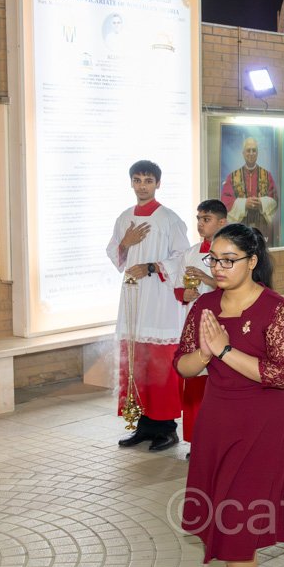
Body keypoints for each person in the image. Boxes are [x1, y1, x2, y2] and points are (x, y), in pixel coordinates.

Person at [174, 223, 284, 567]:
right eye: (214, 259)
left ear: (252, 261)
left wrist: (226, 350)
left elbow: (279, 374)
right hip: (217, 420)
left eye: (229, 260)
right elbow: (183, 366)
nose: (219, 268)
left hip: (263, 423)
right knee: (222, 518)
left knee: (236, 522)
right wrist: (204, 352)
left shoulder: (276, 308)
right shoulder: (205, 305)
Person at [107, 160, 188, 452]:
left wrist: (152, 267)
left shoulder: (169, 219)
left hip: (160, 302)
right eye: (138, 180)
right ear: (131, 182)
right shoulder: (124, 218)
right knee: (136, 363)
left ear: (158, 184)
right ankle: (143, 425)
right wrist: (126, 243)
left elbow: (183, 257)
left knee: (160, 365)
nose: (142, 186)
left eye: (148, 180)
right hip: (132, 300)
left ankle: (166, 428)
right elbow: (115, 255)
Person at [174, 199, 229, 449]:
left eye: (206, 219)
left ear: (222, 222)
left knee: (218, 381)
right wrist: (184, 293)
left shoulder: (229, 253)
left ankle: (218, 440)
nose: (200, 224)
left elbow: (234, 286)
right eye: (198, 219)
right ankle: (196, 440)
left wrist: (207, 277)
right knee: (195, 382)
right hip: (194, 324)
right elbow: (179, 287)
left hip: (221, 323)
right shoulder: (190, 252)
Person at [221, 136, 278, 242]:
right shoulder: (232, 177)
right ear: (243, 153)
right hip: (240, 228)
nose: (251, 153)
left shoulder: (267, 175)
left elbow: (275, 199)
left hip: (262, 227)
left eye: (254, 150)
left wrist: (261, 203)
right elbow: (225, 202)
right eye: (248, 150)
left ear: (257, 153)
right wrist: (244, 204)